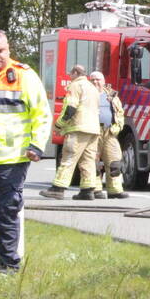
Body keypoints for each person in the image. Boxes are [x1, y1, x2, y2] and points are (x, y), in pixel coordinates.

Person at [0, 30, 51, 272]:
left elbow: (41, 114)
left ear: (8, 49)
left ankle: (7, 268)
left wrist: (37, 145)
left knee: (6, 214)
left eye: (0, 50)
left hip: (11, 160)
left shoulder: (23, 76)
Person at [40, 65, 100, 200]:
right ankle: (88, 190)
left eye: (70, 74)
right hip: (94, 129)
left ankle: (58, 189)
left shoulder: (75, 85)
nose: (69, 77)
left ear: (75, 73)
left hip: (78, 128)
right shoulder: (92, 88)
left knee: (68, 157)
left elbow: (71, 108)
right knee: (88, 160)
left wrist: (59, 124)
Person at [88, 71, 129, 199]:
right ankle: (96, 190)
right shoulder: (85, 95)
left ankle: (115, 190)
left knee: (115, 162)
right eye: (92, 80)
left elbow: (120, 113)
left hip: (109, 132)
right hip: (92, 132)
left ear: (104, 81)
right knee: (92, 162)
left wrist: (117, 127)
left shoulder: (111, 95)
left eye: (98, 80)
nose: (95, 82)